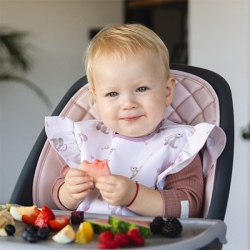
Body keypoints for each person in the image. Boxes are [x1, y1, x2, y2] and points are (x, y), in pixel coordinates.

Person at [45, 24, 226, 218]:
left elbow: (188, 207)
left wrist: (134, 196)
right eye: (112, 93)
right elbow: (59, 200)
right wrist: (70, 191)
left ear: (167, 91)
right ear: (95, 100)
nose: (128, 104)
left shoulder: (181, 144)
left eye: (141, 89)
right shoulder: (86, 139)